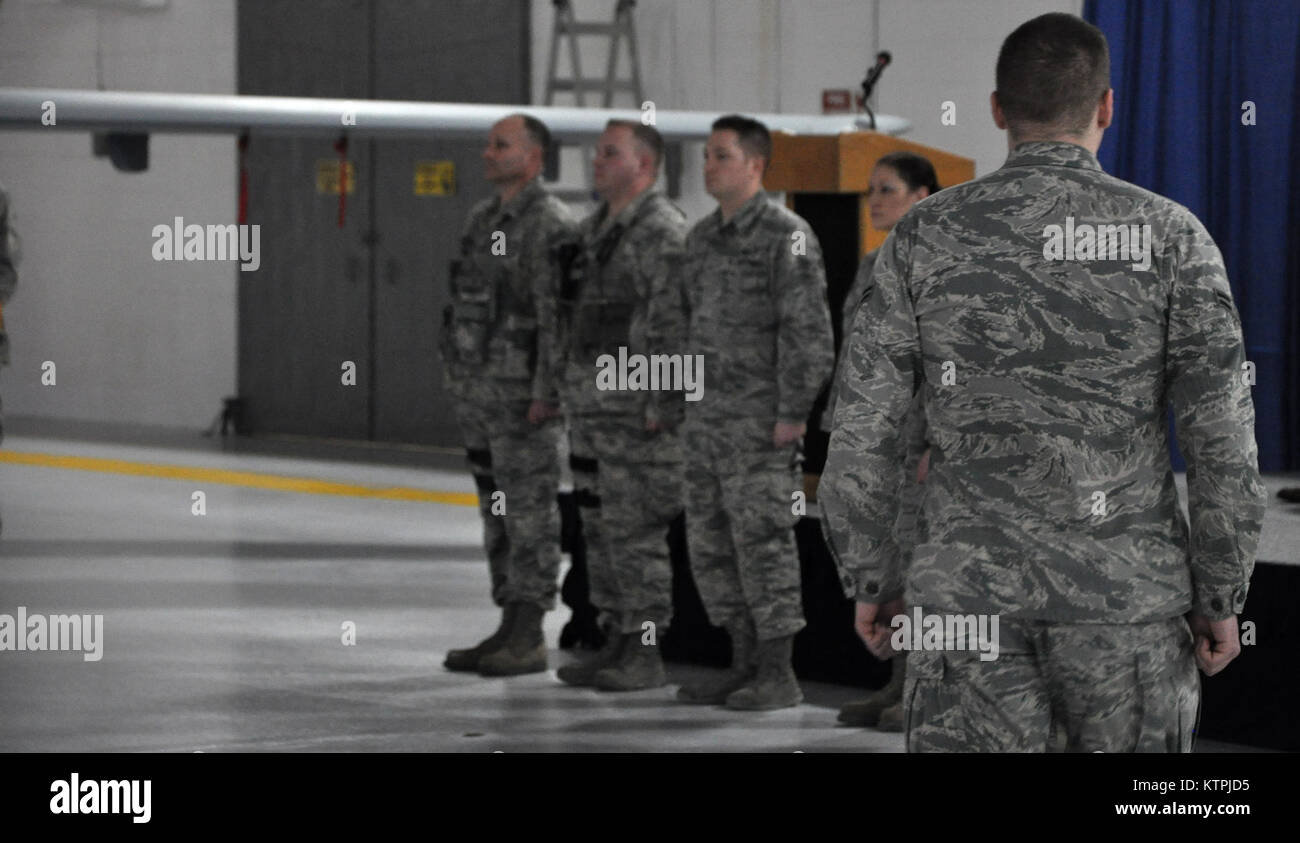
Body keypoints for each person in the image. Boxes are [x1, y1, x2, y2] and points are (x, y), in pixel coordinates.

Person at [821, 12, 1267, 752]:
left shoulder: (922, 237)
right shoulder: (1171, 237)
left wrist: (872, 576)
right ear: (1107, 107)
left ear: (997, 109)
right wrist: (1222, 593)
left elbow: (863, 430)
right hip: (1123, 601)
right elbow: (1222, 440)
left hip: (963, 603)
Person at [675, 115, 835, 710]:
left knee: (763, 543)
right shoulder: (699, 238)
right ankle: (741, 660)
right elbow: (689, 328)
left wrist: (793, 410)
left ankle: (778, 671)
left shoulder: (785, 235)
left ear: (755, 165)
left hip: (761, 424)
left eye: (721, 156)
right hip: (706, 422)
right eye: (707, 156)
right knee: (712, 547)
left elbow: (809, 334)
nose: (708, 166)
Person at [441, 114, 580, 677]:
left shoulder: (551, 224)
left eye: (502, 145)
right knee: (496, 512)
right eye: (487, 143)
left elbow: (558, 317)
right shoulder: (482, 220)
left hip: (525, 400)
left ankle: (529, 630)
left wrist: (548, 391)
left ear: (535, 157)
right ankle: (507, 619)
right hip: (481, 396)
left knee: (529, 513)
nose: (487, 153)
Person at [554, 120, 689, 691]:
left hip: (639, 412)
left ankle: (646, 648)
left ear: (646, 165)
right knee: (599, 529)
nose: (597, 162)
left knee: (636, 532)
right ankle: (614, 635)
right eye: (597, 153)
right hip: (592, 408)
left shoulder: (662, 231)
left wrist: (666, 400)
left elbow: (677, 323)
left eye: (611, 153)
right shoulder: (594, 232)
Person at [822, 152, 939, 731]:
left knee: (922, 569)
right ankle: (894, 681)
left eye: (888, 190)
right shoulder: (873, 263)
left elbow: (950, 367)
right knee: (885, 563)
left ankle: (920, 694)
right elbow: (856, 359)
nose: (875, 200)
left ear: (922, 196)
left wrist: (936, 443)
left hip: (919, 447)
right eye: (871, 189)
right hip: (877, 447)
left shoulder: (940, 265)